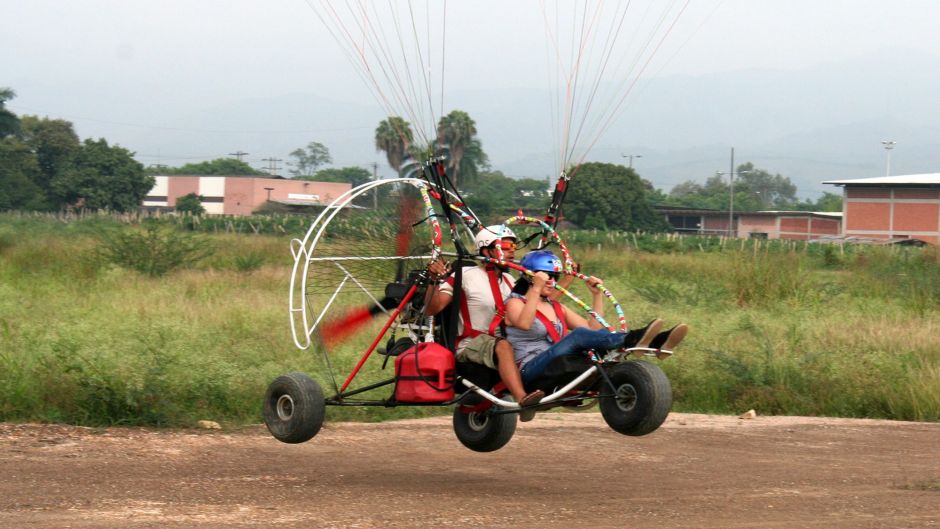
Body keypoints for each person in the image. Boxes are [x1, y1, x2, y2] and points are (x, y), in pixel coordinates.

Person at [504, 250, 688, 384]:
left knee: (588, 338)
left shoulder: (555, 306)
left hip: (555, 362)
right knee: (577, 336)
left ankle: (655, 342)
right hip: (529, 368)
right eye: (547, 276)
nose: (552, 281)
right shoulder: (515, 303)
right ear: (530, 276)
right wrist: (536, 288)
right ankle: (633, 338)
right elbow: (525, 324)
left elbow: (593, 328)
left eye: (555, 276)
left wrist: (596, 295)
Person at [425, 225, 545, 420]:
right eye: (505, 246)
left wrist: (562, 281)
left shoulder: (508, 279)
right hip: (470, 345)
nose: (511, 252)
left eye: (514, 247)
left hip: (498, 345)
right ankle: (523, 399)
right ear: (486, 250)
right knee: (504, 346)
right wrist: (433, 281)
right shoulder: (464, 276)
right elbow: (432, 308)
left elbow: (536, 306)